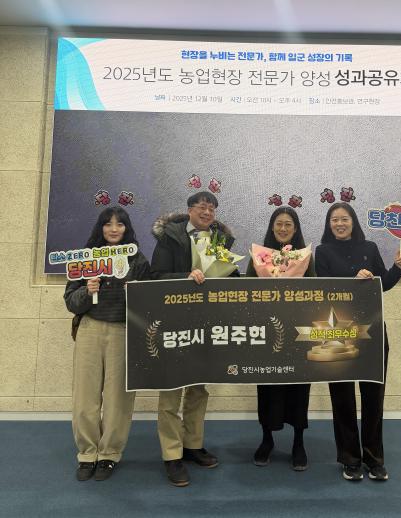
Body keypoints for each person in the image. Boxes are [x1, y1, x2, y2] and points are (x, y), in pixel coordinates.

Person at [315, 202, 401, 482]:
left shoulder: (369, 248)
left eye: (344, 219)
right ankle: (350, 459)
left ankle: (374, 459)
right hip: (336, 332)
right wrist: (353, 280)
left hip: (372, 331)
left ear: (353, 222)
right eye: (334, 220)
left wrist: (397, 268)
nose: (339, 224)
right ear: (329, 224)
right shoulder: (322, 251)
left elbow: (384, 284)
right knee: (342, 398)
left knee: (373, 398)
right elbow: (324, 288)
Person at [151, 191, 237, 487]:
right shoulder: (170, 237)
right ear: (189, 210)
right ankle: (171, 454)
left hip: (207, 323)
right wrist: (185, 278)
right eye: (202, 207)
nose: (207, 212)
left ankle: (193, 444)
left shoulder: (219, 241)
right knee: (171, 390)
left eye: (212, 208)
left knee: (199, 388)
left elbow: (230, 277)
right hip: (174, 323)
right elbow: (155, 277)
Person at [64, 206, 150, 481]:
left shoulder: (138, 260)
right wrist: (87, 292)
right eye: (108, 224)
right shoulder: (87, 258)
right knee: (85, 396)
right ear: (100, 228)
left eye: (119, 224)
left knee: (118, 399)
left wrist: (135, 294)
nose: (114, 229)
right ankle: (87, 454)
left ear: (127, 228)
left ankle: (109, 454)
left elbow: (149, 305)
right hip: (90, 329)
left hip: (123, 332)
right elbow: (70, 301)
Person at [246, 206, 315, 471]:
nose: (283, 228)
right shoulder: (258, 257)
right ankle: (267, 439)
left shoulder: (306, 258)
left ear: (295, 229)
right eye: (279, 224)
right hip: (267, 332)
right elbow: (246, 292)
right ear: (272, 227)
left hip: (298, 334)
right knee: (267, 388)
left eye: (288, 224)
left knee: (299, 388)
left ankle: (299, 442)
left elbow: (316, 292)